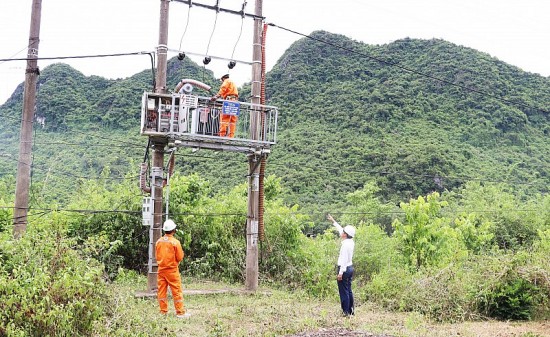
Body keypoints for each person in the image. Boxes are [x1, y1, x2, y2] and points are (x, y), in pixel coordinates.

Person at [155, 219, 190, 318]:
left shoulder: (158, 242)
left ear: (164, 230)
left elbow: (157, 256)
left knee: (161, 291)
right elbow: (180, 257)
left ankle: (163, 312)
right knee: (176, 291)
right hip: (172, 271)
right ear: (174, 230)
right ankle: (180, 312)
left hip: (161, 270)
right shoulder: (175, 242)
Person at [327, 213, 356, 317]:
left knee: (344, 292)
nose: (341, 232)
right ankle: (351, 311)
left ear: (345, 234)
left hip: (344, 269)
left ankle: (345, 312)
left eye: (343, 231)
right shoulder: (350, 241)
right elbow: (340, 230)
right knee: (348, 290)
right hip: (350, 268)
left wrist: (340, 273)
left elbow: (343, 260)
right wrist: (333, 221)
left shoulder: (345, 245)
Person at [211, 73, 239, 138]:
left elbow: (223, 89)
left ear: (223, 78)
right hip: (235, 101)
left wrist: (216, 96)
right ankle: (231, 136)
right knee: (232, 120)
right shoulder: (232, 82)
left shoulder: (226, 81)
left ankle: (222, 135)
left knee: (224, 119)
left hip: (228, 101)